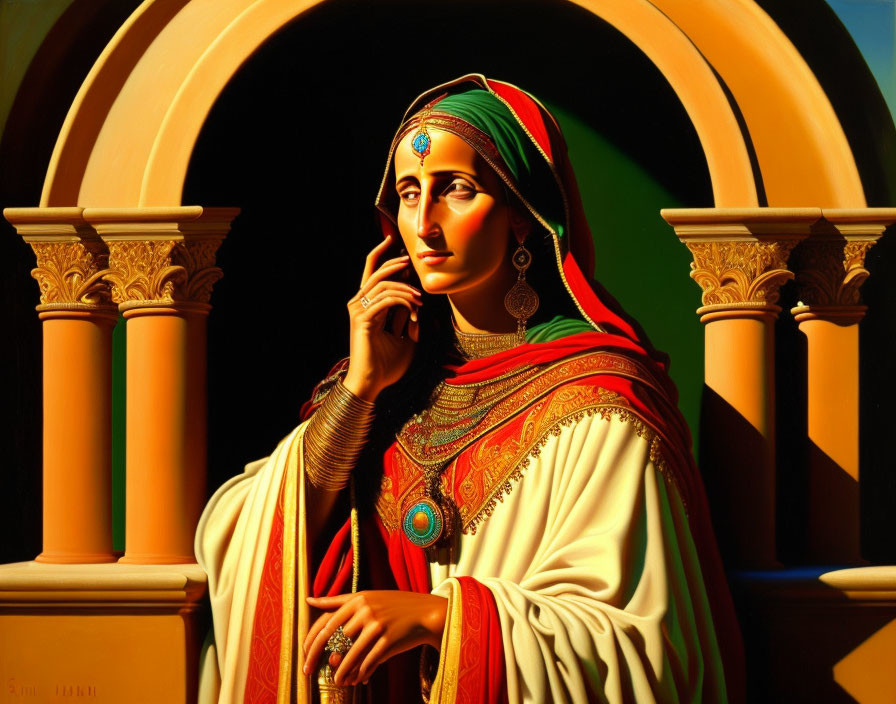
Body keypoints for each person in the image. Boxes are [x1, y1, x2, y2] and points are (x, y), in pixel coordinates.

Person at [196, 74, 743, 704]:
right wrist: (361, 388)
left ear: (521, 216)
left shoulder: (602, 403)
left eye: (456, 189)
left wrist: (439, 618)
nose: (424, 224)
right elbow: (238, 537)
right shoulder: (382, 383)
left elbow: (643, 648)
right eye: (408, 193)